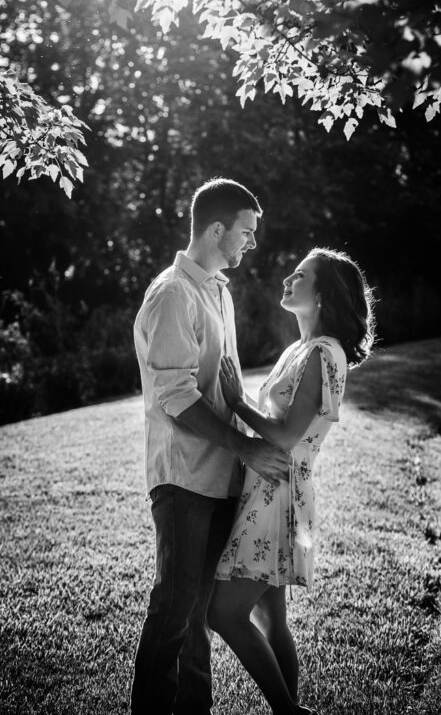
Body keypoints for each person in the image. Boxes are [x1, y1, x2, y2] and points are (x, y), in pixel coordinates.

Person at [130, 177, 290, 715]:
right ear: (216, 229)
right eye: (245, 232)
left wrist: (245, 434)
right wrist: (243, 448)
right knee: (174, 610)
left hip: (220, 475)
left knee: (197, 614)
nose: (250, 243)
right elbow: (177, 396)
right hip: (183, 478)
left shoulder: (217, 289)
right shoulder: (173, 294)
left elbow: (222, 387)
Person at [209, 247, 375, 715]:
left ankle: (289, 712)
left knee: (221, 612)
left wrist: (237, 403)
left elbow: (285, 434)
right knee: (269, 616)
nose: (288, 278)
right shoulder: (302, 350)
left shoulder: (324, 354)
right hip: (270, 488)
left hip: (279, 494)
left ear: (321, 294)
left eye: (300, 275)